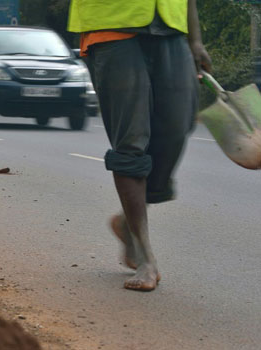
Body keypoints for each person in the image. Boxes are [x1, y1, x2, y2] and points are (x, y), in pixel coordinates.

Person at [68, 0, 212, 291]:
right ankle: (145, 256)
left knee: (177, 126)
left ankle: (128, 221)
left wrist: (195, 40)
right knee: (131, 141)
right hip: (111, 25)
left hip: (170, 28)